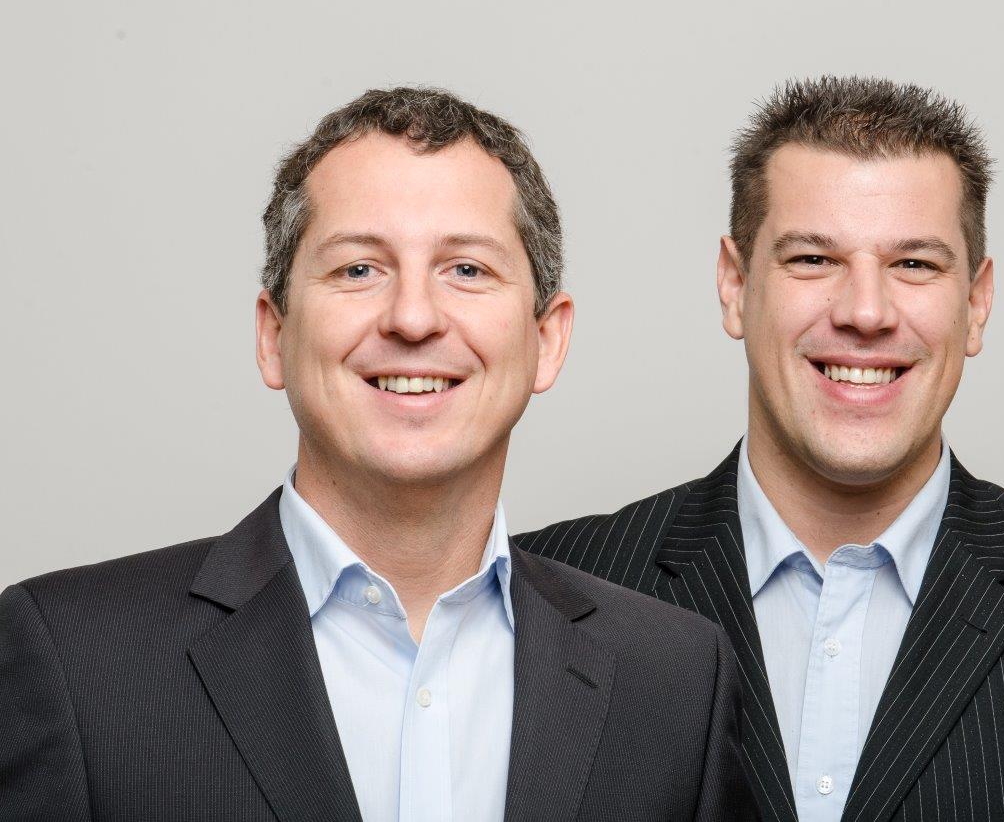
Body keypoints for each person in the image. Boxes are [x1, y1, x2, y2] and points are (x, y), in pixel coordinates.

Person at [516, 76, 1004, 821]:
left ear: (976, 301)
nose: (866, 311)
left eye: (914, 263)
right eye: (813, 259)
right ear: (734, 285)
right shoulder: (529, 601)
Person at [0, 87, 756, 822]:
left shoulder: (675, 679)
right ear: (273, 335)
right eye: (358, 269)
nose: (413, 318)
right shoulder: (73, 659)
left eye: (467, 269)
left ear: (547, 340)